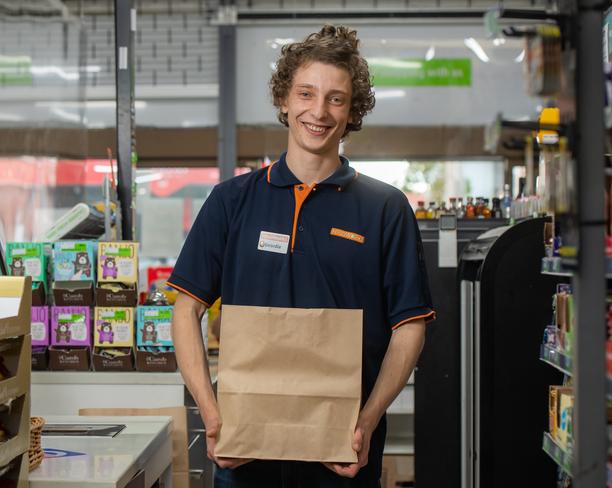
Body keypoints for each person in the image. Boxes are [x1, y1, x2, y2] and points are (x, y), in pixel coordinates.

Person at [168, 25, 435, 488]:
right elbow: (185, 308)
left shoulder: (384, 208)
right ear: (284, 101)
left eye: (336, 98)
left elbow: (409, 326)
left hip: (343, 454)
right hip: (245, 453)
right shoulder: (231, 201)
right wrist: (211, 414)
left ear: (352, 111)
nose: (319, 111)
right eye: (306, 93)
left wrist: (368, 421)